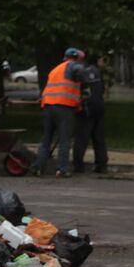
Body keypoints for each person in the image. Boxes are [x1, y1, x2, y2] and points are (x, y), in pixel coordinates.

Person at [32, 48, 84, 177]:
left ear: (64, 57)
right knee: (64, 139)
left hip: (48, 106)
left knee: (46, 139)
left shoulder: (55, 69)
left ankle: (38, 168)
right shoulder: (73, 66)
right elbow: (81, 74)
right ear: (76, 58)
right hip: (64, 107)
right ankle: (61, 169)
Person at [71, 52, 108, 173]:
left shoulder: (77, 72)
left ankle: (78, 165)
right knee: (99, 138)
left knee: (81, 138)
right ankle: (101, 164)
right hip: (99, 107)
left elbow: (75, 91)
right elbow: (101, 88)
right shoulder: (95, 70)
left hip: (86, 109)